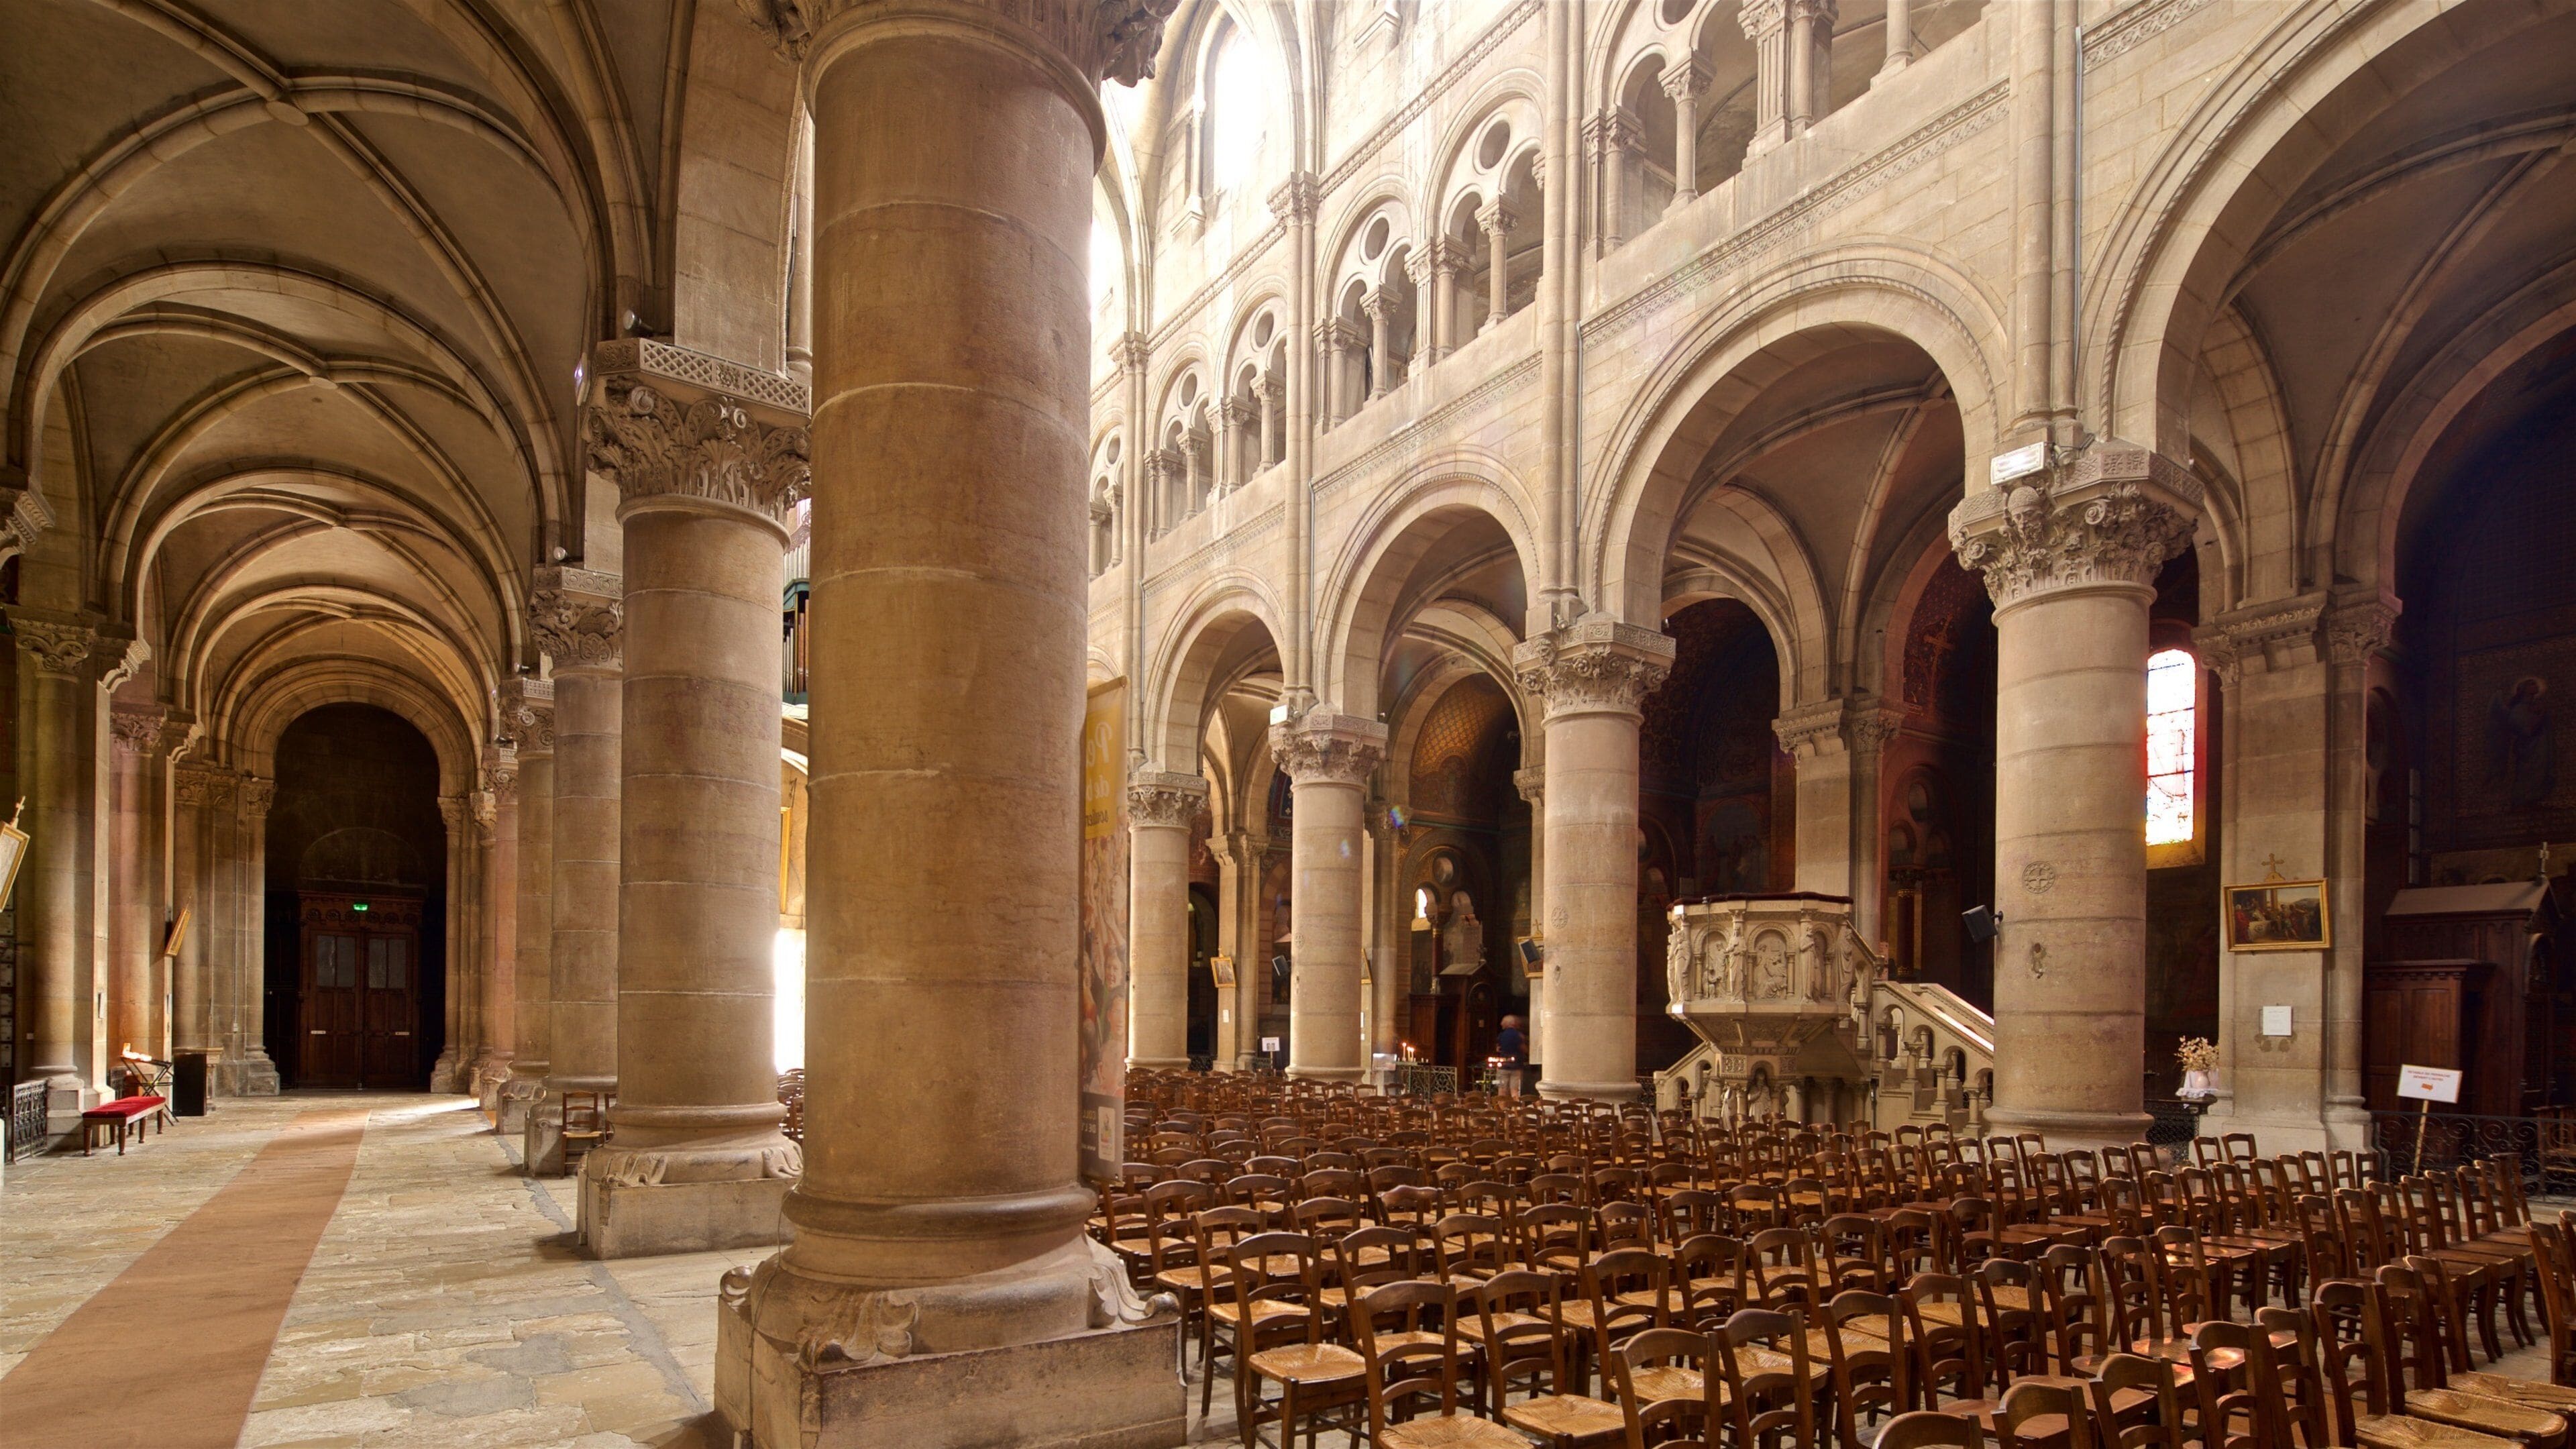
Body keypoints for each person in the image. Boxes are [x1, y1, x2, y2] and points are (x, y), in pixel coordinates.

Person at [1493, 1014, 1527, 1097]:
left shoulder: (1501, 1035)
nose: (1501, 1024)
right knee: (1515, 1091)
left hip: (1503, 1068)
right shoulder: (1519, 1035)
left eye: (1503, 1022)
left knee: (1502, 1090)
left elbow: (1498, 1049)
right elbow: (1523, 1048)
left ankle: (1502, 1109)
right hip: (1516, 1068)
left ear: (1507, 1024)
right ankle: (1515, 1109)